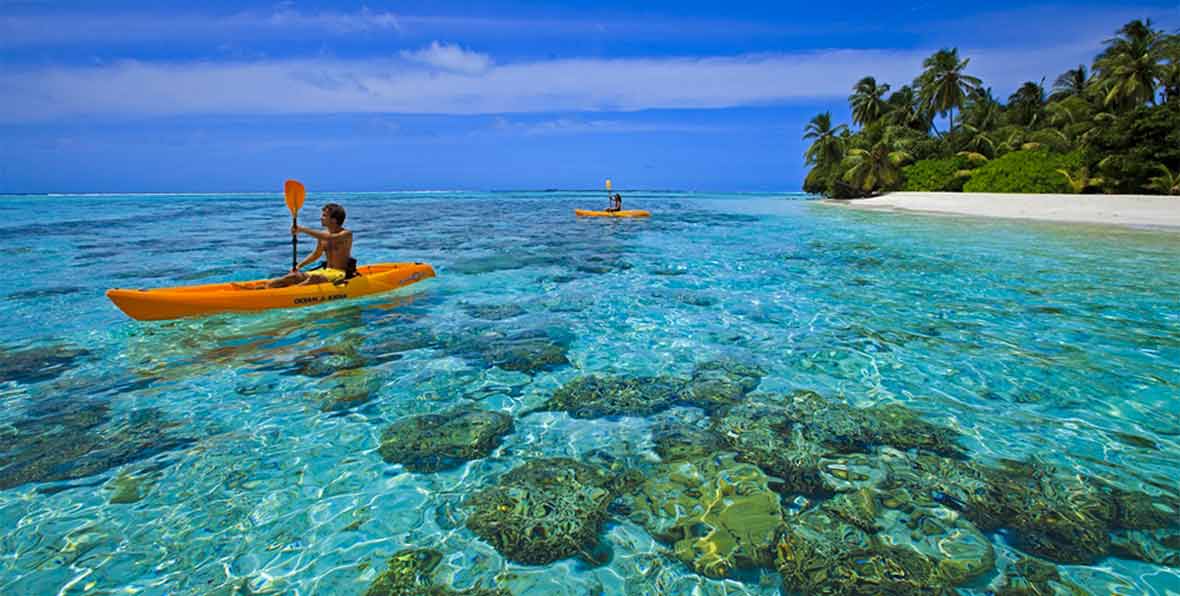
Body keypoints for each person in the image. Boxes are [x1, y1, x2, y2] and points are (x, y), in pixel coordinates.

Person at [256, 203, 354, 288]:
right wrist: (299, 266)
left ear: (334, 220)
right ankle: (266, 288)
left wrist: (302, 229)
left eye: (324, 216)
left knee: (315, 278)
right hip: (325, 271)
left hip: (340, 273)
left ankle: (289, 292)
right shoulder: (322, 236)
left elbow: (330, 238)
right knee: (294, 276)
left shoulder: (346, 234)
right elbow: (316, 254)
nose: (321, 218)